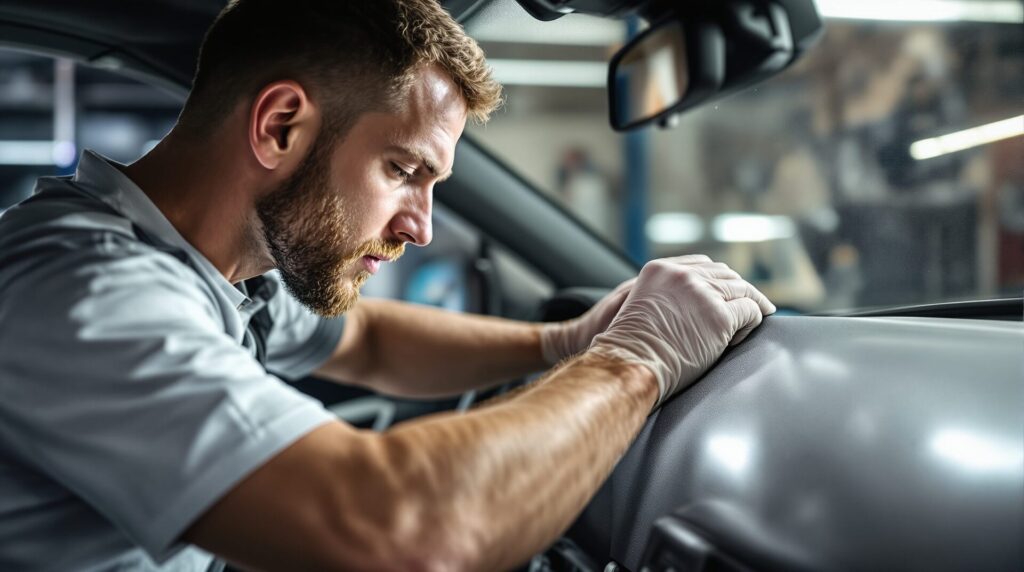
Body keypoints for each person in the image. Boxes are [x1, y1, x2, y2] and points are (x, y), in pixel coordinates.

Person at [0, 1, 775, 570]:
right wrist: (636, 362)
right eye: (404, 171)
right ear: (279, 127)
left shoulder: (221, 267)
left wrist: (562, 342)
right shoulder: (88, 293)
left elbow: (368, 340)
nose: (422, 227)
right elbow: (402, 533)